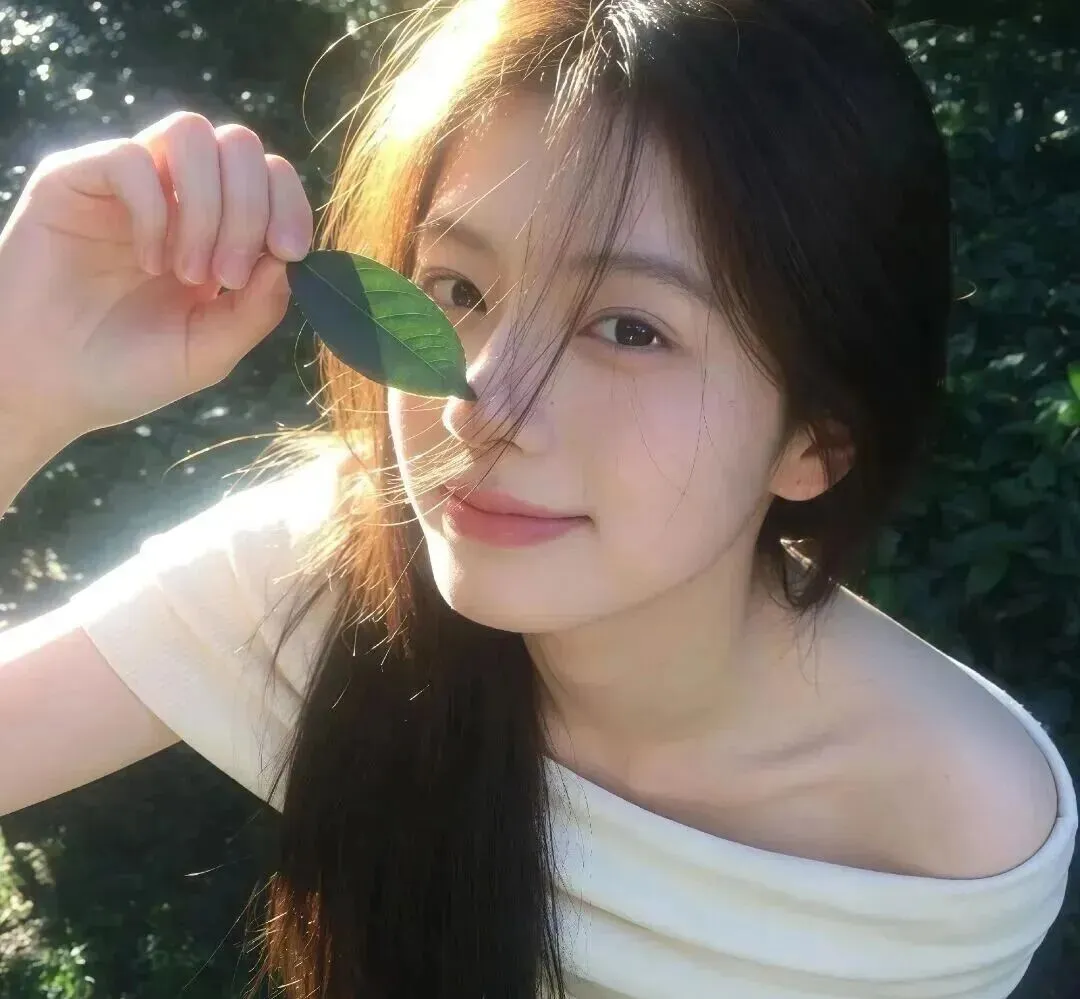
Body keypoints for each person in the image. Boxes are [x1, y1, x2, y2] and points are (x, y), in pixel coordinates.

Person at [0, 0, 1075, 996]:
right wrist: (22, 378)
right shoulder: (328, 566)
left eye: (631, 329)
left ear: (816, 443)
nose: (481, 406)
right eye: (457, 288)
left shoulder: (951, 824)